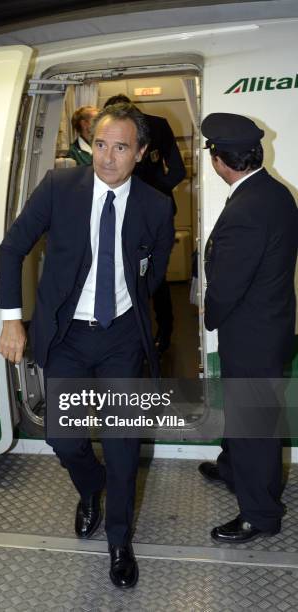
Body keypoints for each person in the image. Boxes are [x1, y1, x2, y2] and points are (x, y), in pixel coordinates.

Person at [0, 103, 174, 587]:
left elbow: (153, 273)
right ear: (89, 145)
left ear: (140, 153)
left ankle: (119, 541)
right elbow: (12, 249)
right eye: (100, 145)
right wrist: (12, 320)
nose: (108, 158)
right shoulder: (59, 188)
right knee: (64, 438)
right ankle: (89, 488)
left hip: (120, 339)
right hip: (68, 336)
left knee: (121, 447)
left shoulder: (157, 206)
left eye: (120, 148)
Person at [198, 112, 298, 543]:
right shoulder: (275, 192)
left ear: (220, 161)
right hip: (270, 325)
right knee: (244, 411)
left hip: (251, 333)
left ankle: (260, 515)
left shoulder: (247, 207)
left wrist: (208, 315)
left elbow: (228, 283)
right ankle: (232, 468)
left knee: (254, 422)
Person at [104, 94, 186, 354]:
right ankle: (133, 335)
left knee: (153, 273)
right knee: (122, 271)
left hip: (153, 212)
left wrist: (150, 197)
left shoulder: (157, 126)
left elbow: (177, 171)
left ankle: (164, 332)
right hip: (118, 211)